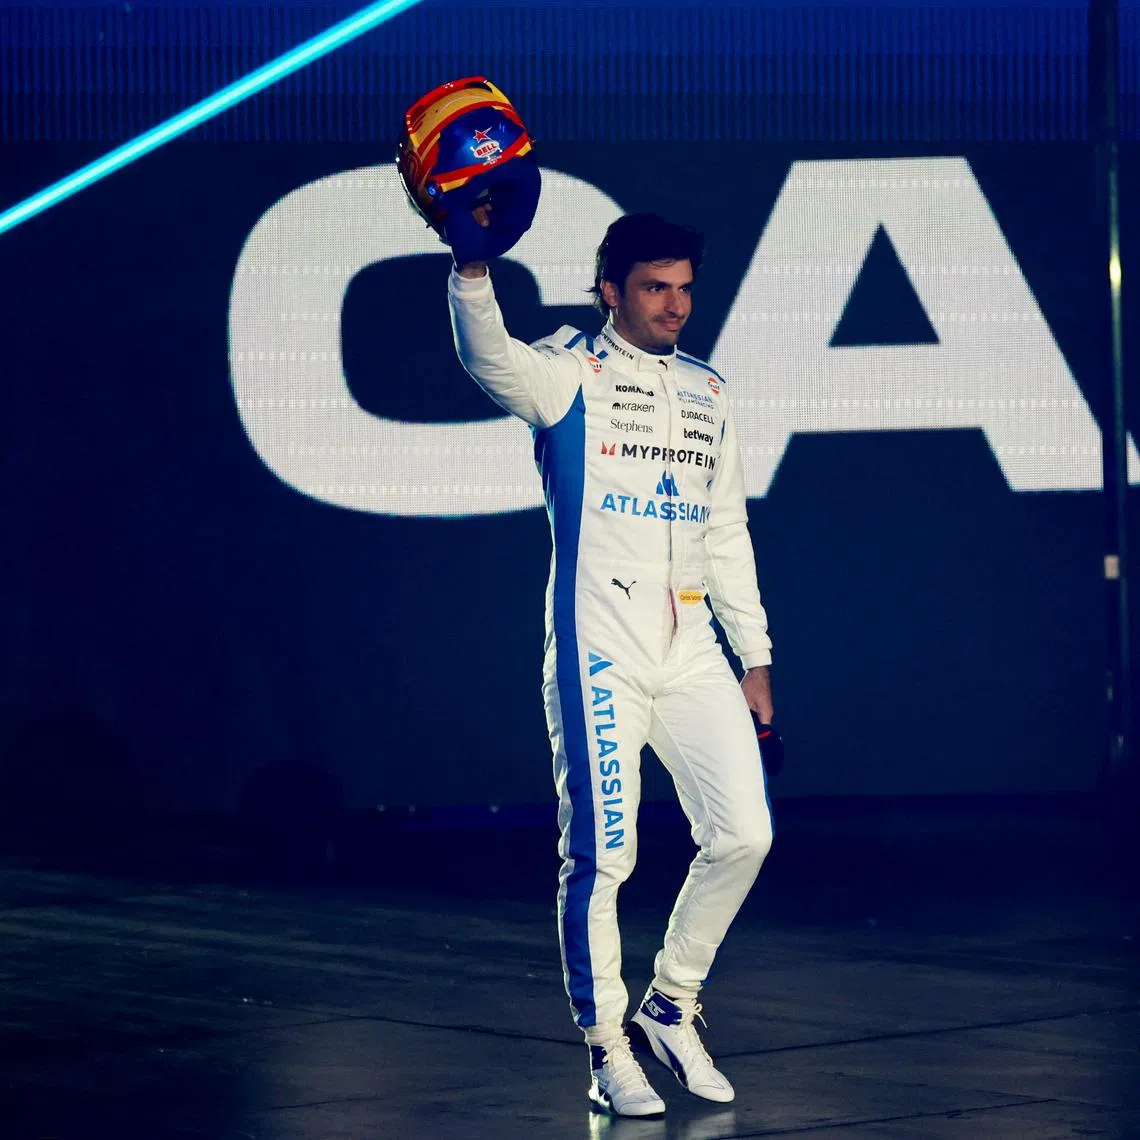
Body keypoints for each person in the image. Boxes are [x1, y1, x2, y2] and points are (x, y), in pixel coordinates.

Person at [448, 211, 776, 1118]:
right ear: (610, 291)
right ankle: (605, 1046)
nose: (675, 305)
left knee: (747, 832)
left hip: (692, 647)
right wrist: (473, 272)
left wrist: (754, 656)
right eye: (654, 288)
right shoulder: (567, 375)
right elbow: (489, 361)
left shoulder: (709, 390)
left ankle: (671, 1001)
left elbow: (726, 531)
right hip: (601, 649)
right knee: (604, 855)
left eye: (683, 288)